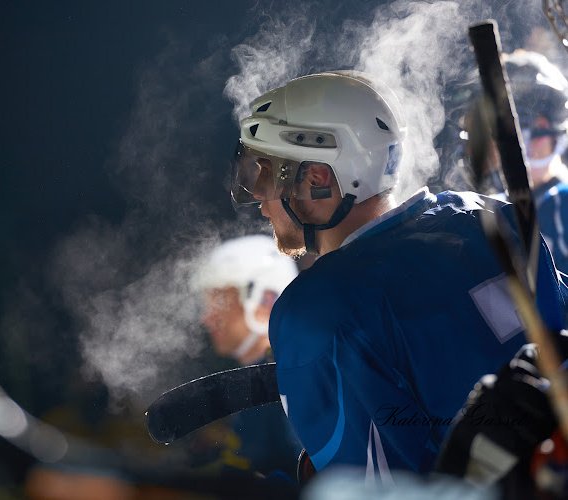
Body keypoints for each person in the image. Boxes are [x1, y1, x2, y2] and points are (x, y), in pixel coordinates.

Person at [228, 70, 567, 483]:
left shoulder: (316, 310)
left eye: (266, 175)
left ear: (316, 179)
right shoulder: (493, 215)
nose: (262, 203)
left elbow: (372, 487)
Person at [191, 234, 302, 479]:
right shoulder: (259, 379)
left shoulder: (283, 382)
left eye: (219, 302)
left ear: (265, 301)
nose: (206, 318)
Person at [505, 49, 568, 275]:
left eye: (538, 129)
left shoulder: (561, 202)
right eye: (519, 126)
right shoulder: (495, 206)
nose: (526, 141)